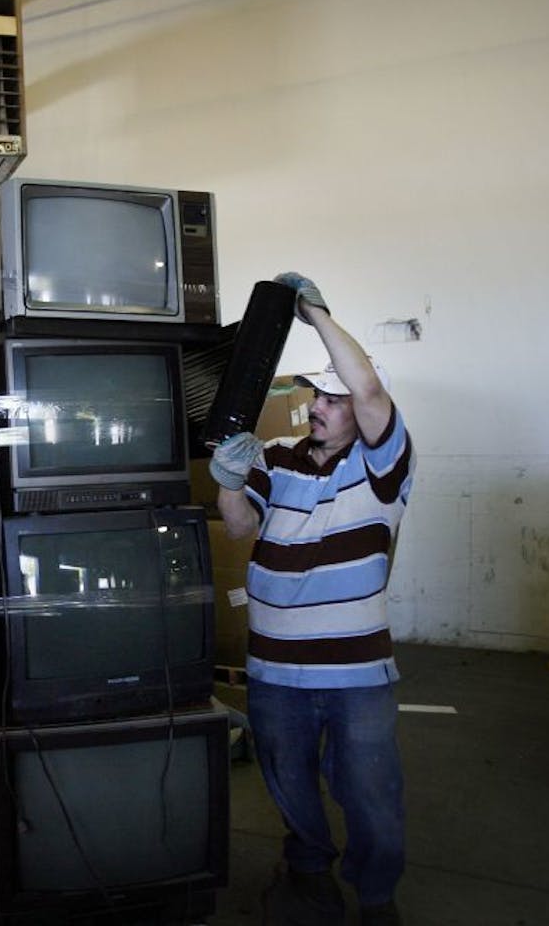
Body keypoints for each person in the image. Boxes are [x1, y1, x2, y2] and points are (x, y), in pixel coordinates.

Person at [210, 273, 415, 926]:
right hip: (273, 669)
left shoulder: (383, 467)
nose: (319, 406)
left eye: (334, 398)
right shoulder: (278, 457)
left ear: (360, 409)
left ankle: (376, 898)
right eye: (315, 395)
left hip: (354, 674)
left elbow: (372, 389)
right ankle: (308, 876)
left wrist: (315, 313)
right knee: (290, 784)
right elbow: (241, 528)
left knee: (371, 796)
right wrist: (228, 484)